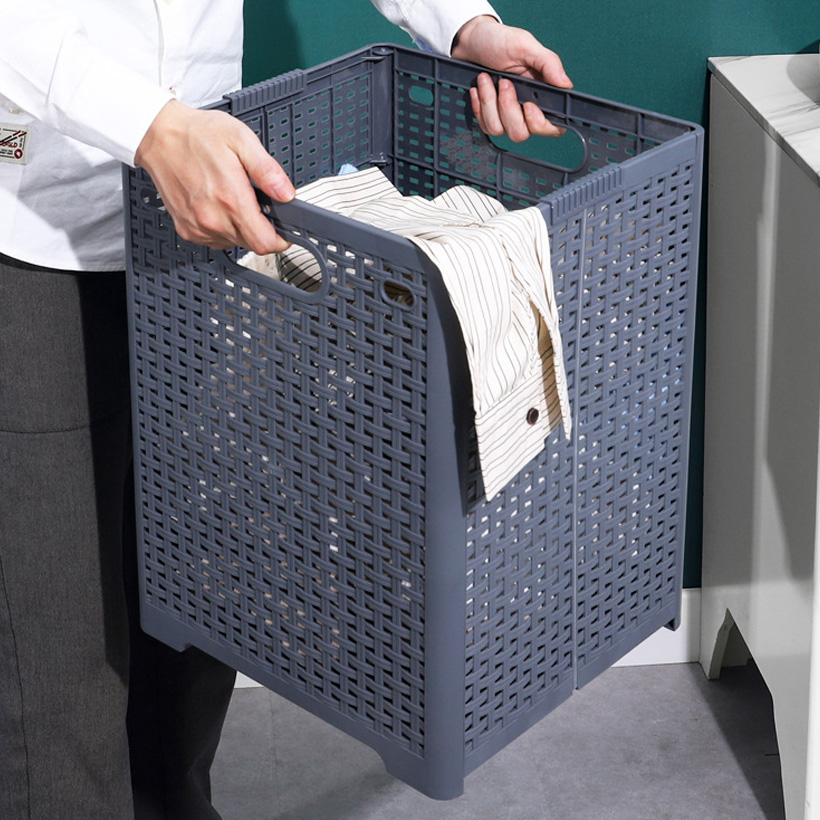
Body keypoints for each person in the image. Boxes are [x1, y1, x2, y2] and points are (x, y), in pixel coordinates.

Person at [0, 3, 572, 818]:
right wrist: (148, 126)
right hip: (33, 219)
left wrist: (461, 23)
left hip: (200, 214)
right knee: (56, 641)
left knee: (193, 597)